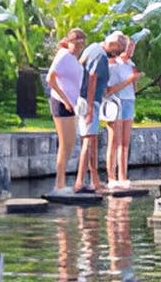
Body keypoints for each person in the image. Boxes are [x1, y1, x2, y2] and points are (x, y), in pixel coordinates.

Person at [75, 30, 122, 193]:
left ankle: (94, 180)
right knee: (88, 142)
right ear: (113, 45)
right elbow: (93, 78)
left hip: (87, 100)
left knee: (92, 141)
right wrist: (89, 108)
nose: (116, 55)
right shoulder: (101, 55)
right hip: (89, 101)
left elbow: (81, 65)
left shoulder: (93, 47)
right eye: (117, 51)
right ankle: (79, 182)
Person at [46, 28, 86, 191]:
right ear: (69, 42)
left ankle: (62, 182)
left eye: (81, 45)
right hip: (61, 103)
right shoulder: (63, 55)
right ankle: (59, 184)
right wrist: (65, 100)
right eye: (76, 44)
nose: (78, 47)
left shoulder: (73, 59)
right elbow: (50, 79)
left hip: (72, 105)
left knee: (70, 144)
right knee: (64, 144)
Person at [104, 35, 138, 185]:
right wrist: (128, 81)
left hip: (129, 101)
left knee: (125, 143)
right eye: (129, 46)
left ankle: (123, 177)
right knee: (114, 141)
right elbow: (109, 90)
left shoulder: (131, 65)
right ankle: (111, 177)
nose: (131, 49)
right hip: (115, 103)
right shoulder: (113, 64)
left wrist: (134, 81)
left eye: (133, 47)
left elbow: (133, 88)